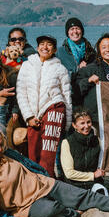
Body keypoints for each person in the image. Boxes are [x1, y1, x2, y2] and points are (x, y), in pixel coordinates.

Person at [16, 35, 72, 178]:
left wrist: (68, 123)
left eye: (49, 45)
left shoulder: (61, 69)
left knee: (48, 152)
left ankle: (49, 181)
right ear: (37, 47)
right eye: (42, 44)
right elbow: (21, 92)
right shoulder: (27, 65)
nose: (45, 47)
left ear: (54, 49)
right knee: (33, 151)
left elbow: (66, 96)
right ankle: (36, 182)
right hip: (33, 114)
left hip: (54, 109)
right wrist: (29, 117)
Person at [58, 108, 107, 190]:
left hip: (94, 184)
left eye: (88, 122)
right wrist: (92, 175)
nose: (86, 126)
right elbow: (69, 173)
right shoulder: (67, 143)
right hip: (74, 185)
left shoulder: (96, 140)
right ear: (74, 125)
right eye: (82, 123)